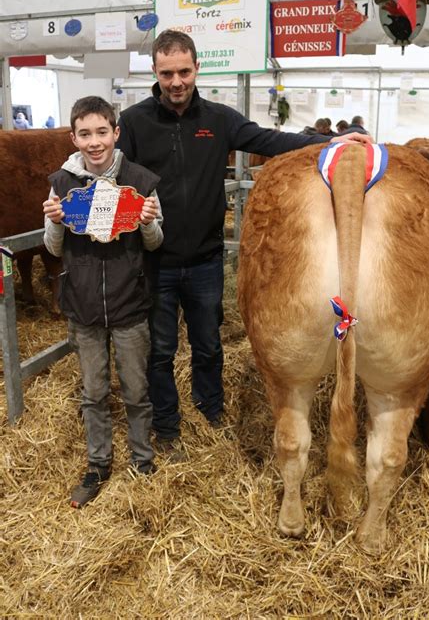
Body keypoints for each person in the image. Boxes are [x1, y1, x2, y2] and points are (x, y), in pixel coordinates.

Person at [117, 29, 371, 457]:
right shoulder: (135, 123)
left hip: (204, 260)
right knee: (159, 349)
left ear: (197, 69)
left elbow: (271, 140)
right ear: (154, 73)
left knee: (208, 342)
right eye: (166, 73)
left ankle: (210, 411)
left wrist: (328, 141)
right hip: (154, 259)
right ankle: (168, 426)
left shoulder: (218, 119)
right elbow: (110, 169)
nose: (176, 81)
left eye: (183, 71)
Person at [43, 96, 164, 507]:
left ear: (115, 133)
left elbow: (155, 241)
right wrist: (56, 222)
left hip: (130, 302)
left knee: (135, 389)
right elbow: (52, 247)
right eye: (84, 134)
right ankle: (98, 463)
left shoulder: (141, 181)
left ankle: (142, 460)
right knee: (93, 391)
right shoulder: (61, 184)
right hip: (83, 305)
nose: (94, 142)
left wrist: (147, 223)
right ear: (73, 137)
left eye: (101, 132)